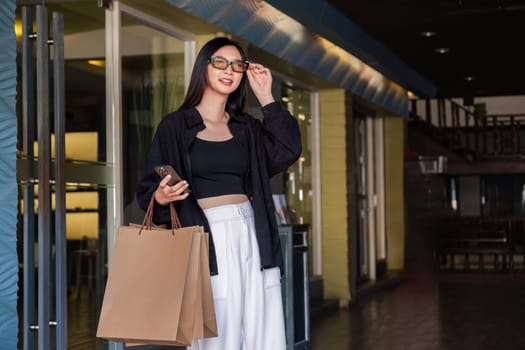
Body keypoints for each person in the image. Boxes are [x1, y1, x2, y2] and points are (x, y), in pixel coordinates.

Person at [136, 37, 301, 350]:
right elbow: (149, 188)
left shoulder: (246, 128)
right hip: (204, 235)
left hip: (251, 230)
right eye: (221, 63)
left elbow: (288, 149)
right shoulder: (175, 127)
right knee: (215, 334)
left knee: (260, 328)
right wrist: (161, 197)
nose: (230, 71)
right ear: (204, 68)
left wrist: (267, 98)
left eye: (238, 65)